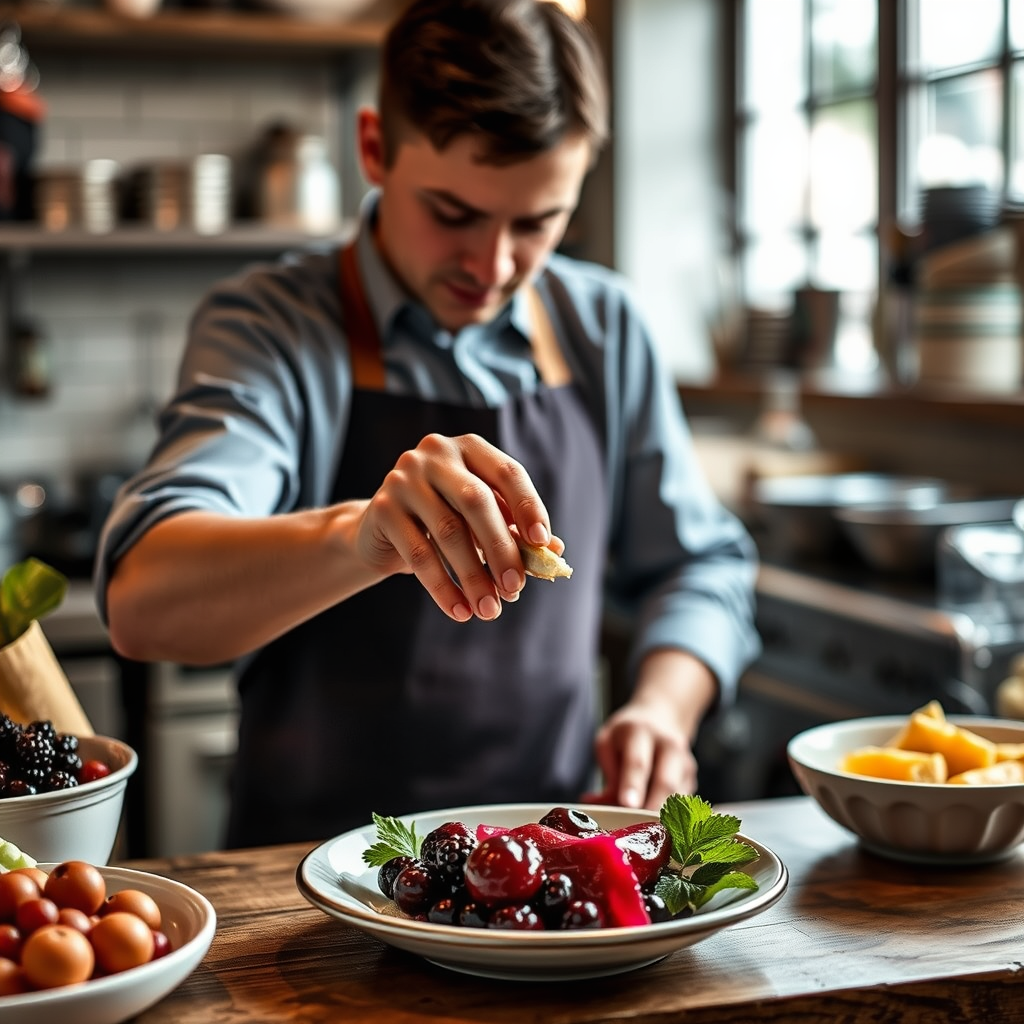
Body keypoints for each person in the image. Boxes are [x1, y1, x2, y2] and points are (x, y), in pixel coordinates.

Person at [94, 0, 761, 849]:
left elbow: (701, 566)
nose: (494, 266)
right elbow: (142, 600)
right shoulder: (270, 327)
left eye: (538, 222)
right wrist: (361, 537)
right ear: (374, 148)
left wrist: (662, 709)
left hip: (551, 867)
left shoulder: (605, 327)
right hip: (313, 871)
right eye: (452, 212)